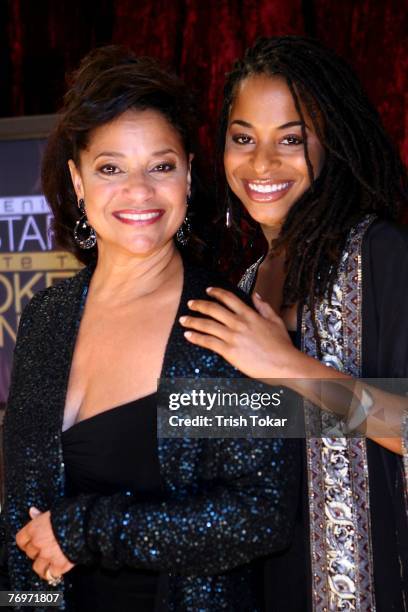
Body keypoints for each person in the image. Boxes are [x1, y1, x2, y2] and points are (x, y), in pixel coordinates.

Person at [0, 46, 298, 611]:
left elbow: (257, 517)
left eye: (160, 166)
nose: (138, 191)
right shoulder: (47, 316)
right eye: (110, 168)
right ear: (78, 181)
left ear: (188, 172)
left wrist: (87, 530)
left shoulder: (220, 326)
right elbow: (22, 517)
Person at [180, 36, 408, 611]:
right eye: (243, 139)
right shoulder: (241, 285)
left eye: (291, 139)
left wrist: (285, 365)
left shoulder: (380, 255)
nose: (262, 164)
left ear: (331, 141)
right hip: (266, 587)